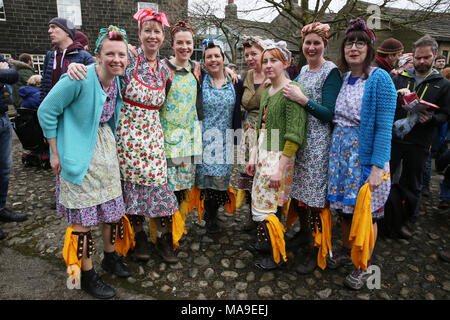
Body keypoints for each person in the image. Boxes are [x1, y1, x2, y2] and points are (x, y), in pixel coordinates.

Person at [67, 9, 184, 264]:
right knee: (131, 193)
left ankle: (164, 240)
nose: (152, 36)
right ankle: (138, 238)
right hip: (126, 137)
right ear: (139, 34)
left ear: (163, 37)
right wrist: (77, 65)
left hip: (153, 138)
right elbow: (103, 65)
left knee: (161, 191)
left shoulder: (165, 70)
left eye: (157, 31)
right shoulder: (129, 59)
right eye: (147, 31)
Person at [37, 26, 131, 299]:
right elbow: (46, 111)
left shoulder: (116, 80)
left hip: (106, 154)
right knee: (83, 222)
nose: (116, 59)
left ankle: (110, 258)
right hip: (78, 155)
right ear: (97, 56)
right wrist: (54, 151)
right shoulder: (78, 77)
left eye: (121, 54)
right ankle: (85, 275)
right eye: (110, 54)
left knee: (112, 214)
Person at [326, 18, 397, 290]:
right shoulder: (344, 78)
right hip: (341, 155)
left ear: (369, 48)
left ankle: (364, 266)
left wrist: (378, 166)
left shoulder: (380, 79)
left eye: (360, 43)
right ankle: (346, 249)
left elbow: (383, 126)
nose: (354, 48)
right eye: (349, 43)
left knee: (366, 212)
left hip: (365, 156)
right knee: (345, 210)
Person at [283, 22, 342, 274]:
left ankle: (315, 248)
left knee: (315, 198)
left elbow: (329, 113)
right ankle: (303, 234)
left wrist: (303, 100)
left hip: (319, 144)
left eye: (317, 43)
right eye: (308, 42)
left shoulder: (331, 72)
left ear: (324, 45)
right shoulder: (303, 71)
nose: (311, 47)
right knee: (300, 195)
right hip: (302, 142)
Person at [245, 40, 308, 270]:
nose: (268, 65)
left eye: (274, 61)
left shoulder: (292, 91)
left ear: (286, 62)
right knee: (262, 203)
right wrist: (254, 156)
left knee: (271, 206)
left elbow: (294, 134)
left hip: (280, 157)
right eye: (266, 61)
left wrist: (280, 167)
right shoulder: (268, 91)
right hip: (265, 152)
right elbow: (263, 128)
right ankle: (266, 241)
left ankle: (276, 253)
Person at [391, 35, 450, 239]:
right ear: (413, 57)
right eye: (418, 57)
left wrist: (432, 119)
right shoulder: (400, 77)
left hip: (419, 141)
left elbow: (445, 113)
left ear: (434, 56)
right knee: (385, 179)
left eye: (426, 57)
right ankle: (385, 217)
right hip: (394, 139)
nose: (421, 61)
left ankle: (408, 221)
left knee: (413, 183)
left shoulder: (442, 83)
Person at [192, 39, 243, 234]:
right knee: (205, 180)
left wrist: (231, 71)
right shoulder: (199, 78)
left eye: (217, 56)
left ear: (223, 59)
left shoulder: (235, 82)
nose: (213, 60)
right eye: (209, 57)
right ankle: (209, 215)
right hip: (204, 137)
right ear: (204, 61)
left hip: (226, 138)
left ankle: (214, 210)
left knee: (221, 181)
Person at [160, 21, 203, 232]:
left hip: (190, 138)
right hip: (168, 137)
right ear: (172, 44)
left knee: (184, 187)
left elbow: (218, 75)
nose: (184, 47)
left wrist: (232, 74)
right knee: (168, 188)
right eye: (180, 42)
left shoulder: (196, 68)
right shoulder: (163, 67)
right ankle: (166, 233)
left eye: (188, 42)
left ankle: (178, 228)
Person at [236, 36, 267, 232]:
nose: (250, 58)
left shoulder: (273, 73)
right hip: (248, 130)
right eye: (247, 55)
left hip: (268, 129)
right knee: (247, 174)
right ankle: (251, 214)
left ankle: (265, 216)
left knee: (264, 173)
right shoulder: (245, 77)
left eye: (254, 53)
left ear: (263, 53)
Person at [0, 55, 28, 241]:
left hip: (2, 118)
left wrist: (5, 69)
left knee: (4, 169)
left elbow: (12, 75)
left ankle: (1, 208)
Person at [40, 17, 94, 104]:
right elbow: (44, 85)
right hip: (51, 110)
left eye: (53, 27)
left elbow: (93, 85)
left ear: (67, 32)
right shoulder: (50, 55)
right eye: (49, 27)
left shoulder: (84, 56)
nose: (49, 31)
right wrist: (42, 106)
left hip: (73, 111)